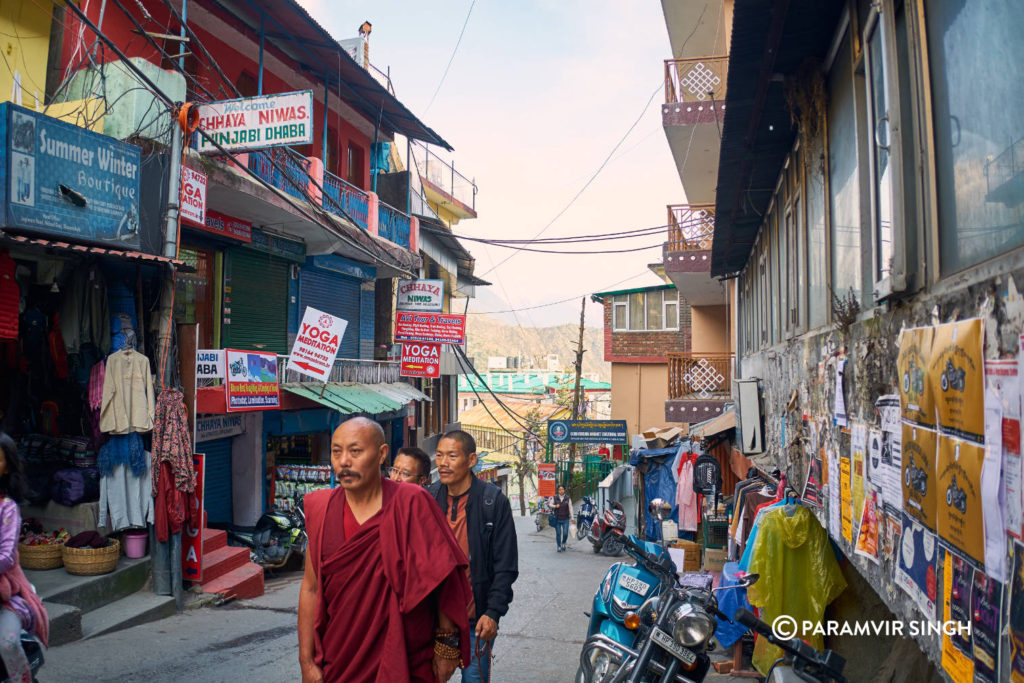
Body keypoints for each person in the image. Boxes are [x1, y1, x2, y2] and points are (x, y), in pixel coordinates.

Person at [297, 418, 472, 683]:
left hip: (405, 656)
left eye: (355, 451)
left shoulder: (411, 502)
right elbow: (311, 588)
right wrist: (306, 661)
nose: (344, 461)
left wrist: (447, 647)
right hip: (339, 659)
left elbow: (443, 579)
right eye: (336, 451)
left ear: (381, 454)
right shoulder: (320, 509)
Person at [429, 430, 518, 683]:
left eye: (452, 456)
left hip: (476, 621)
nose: (443, 463)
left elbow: (506, 565)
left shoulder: (492, 501)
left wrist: (493, 612)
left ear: (471, 460)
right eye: (439, 455)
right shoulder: (429, 498)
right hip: (435, 620)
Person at [0, 434, 48, 683]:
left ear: (7, 467)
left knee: (7, 643)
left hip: (7, 593)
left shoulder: (7, 507)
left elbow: (6, 557)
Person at [551, 485, 573, 552]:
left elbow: (570, 508)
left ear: (564, 490)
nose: (561, 491)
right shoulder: (555, 497)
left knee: (565, 533)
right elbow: (550, 504)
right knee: (558, 533)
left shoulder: (567, 498)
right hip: (557, 519)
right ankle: (559, 546)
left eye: (562, 489)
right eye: (560, 489)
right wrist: (555, 506)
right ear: (558, 491)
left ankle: (563, 543)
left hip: (565, 518)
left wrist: (572, 517)